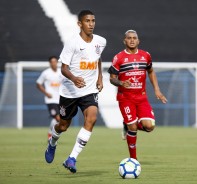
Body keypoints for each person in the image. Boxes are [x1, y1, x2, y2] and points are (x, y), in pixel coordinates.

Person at [44, 10, 106, 173]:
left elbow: (98, 57)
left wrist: (100, 77)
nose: (91, 24)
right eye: (87, 21)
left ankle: (71, 158)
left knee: (91, 118)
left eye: (93, 20)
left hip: (89, 90)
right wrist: (74, 79)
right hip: (69, 92)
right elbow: (63, 68)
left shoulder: (101, 41)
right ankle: (52, 143)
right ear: (80, 24)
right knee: (63, 126)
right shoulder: (72, 43)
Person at [108, 30, 167, 160]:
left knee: (149, 126)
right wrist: (121, 82)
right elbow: (112, 78)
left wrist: (157, 90)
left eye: (134, 38)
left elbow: (151, 71)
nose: (132, 40)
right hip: (125, 98)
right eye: (129, 38)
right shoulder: (119, 58)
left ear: (138, 41)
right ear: (125, 41)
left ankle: (127, 125)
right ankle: (133, 160)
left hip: (141, 98)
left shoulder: (145, 56)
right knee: (133, 127)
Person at [36, 56, 61, 140]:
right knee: (58, 118)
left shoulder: (61, 72)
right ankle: (51, 134)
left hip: (60, 99)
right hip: (51, 100)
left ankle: (50, 133)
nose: (54, 63)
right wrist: (46, 93)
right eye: (52, 62)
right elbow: (38, 84)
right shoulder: (46, 73)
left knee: (59, 120)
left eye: (55, 61)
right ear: (50, 63)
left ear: (57, 62)